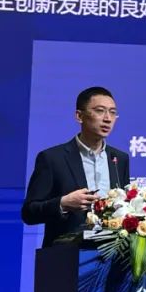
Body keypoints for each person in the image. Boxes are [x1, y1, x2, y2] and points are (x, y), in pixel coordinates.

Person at [22, 86, 130, 247]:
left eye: (113, 112)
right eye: (100, 111)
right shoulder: (52, 158)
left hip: (111, 252)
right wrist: (63, 203)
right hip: (67, 254)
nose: (108, 118)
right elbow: (29, 213)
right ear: (79, 116)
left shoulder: (119, 159)